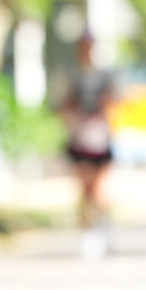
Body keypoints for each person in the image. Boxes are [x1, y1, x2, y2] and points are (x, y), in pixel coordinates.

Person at [60, 31, 116, 258]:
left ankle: (103, 227)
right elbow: (62, 107)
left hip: (101, 139)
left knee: (100, 190)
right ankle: (87, 232)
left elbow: (115, 104)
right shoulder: (72, 76)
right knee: (84, 189)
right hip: (80, 139)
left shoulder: (105, 76)